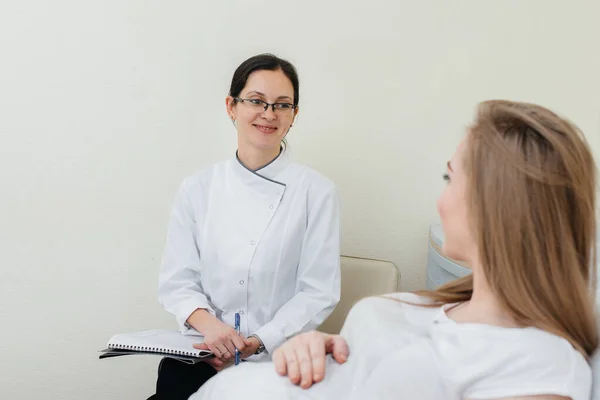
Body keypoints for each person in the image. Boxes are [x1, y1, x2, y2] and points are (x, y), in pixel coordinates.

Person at [191, 100, 597, 400]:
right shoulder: (425, 306)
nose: (441, 200)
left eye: (449, 178)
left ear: (497, 206)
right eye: (256, 102)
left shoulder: (540, 362)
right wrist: (315, 350)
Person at [147, 53, 342, 400]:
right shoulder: (197, 188)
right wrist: (213, 331)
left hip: (276, 359)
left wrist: (257, 342)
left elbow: (318, 291)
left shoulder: (317, 192)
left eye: (282, 105)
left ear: (294, 115)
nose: (269, 114)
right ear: (231, 107)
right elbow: (177, 281)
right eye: (256, 101)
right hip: (202, 353)